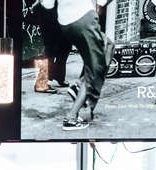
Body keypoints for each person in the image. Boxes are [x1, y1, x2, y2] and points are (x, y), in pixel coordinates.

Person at [42, 0, 109, 131]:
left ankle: (79, 89)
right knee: (96, 68)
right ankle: (71, 117)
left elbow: (47, 4)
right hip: (85, 18)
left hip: (66, 24)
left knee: (107, 47)